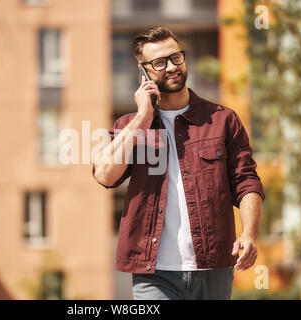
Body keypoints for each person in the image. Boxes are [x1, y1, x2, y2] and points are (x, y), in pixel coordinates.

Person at [92, 26, 265, 300]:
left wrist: (250, 233)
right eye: (159, 62)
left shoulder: (222, 120)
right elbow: (105, 175)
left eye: (176, 57)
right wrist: (141, 117)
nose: (171, 67)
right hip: (154, 273)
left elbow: (247, 182)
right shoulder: (129, 126)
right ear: (144, 71)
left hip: (213, 267)